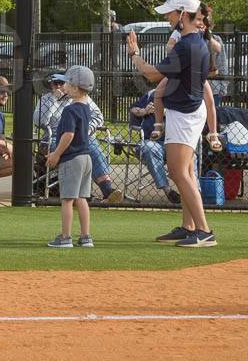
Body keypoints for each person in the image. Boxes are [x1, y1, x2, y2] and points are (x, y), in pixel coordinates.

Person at [126, 0, 217, 247]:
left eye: (171, 12)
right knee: (185, 171)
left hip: (185, 115)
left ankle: (204, 230)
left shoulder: (188, 45)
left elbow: (152, 75)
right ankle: (190, 227)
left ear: (182, 15)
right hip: (188, 111)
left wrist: (134, 55)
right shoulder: (195, 41)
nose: (168, 17)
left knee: (179, 172)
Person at [33, 72, 125, 202]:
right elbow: (39, 122)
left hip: (81, 137)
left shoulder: (81, 97)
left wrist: (86, 130)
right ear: (51, 85)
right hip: (54, 137)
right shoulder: (46, 99)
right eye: (55, 83)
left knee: (93, 148)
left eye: (62, 83)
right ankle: (81, 194)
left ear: (68, 84)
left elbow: (98, 117)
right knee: (77, 152)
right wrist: (54, 100)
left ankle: (107, 189)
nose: (58, 86)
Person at [146, 3, 223, 155]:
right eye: (199, 18)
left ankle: (213, 134)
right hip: (181, 71)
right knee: (159, 92)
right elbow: (169, 47)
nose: (200, 22)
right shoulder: (180, 32)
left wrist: (206, 35)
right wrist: (175, 47)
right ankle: (159, 124)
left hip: (198, 75)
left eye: (203, 19)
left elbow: (218, 49)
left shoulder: (204, 34)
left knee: (209, 101)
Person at [45, 65, 96, 248]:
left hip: (72, 158)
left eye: (67, 83)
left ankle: (65, 237)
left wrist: (56, 154)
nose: (63, 86)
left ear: (74, 87)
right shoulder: (86, 108)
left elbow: (68, 135)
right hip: (86, 157)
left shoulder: (69, 110)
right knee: (81, 198)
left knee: (67, 199)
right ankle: (85, 236)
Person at [127, 89, 178, 203]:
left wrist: (164, 112)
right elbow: (133, 109)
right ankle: (168, 190)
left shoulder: (182, 94)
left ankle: (194, 192)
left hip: (176, 143)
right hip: (152, 142)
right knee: (149, 148)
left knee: (192, 152)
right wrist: (145, 111)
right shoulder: (153, 93)